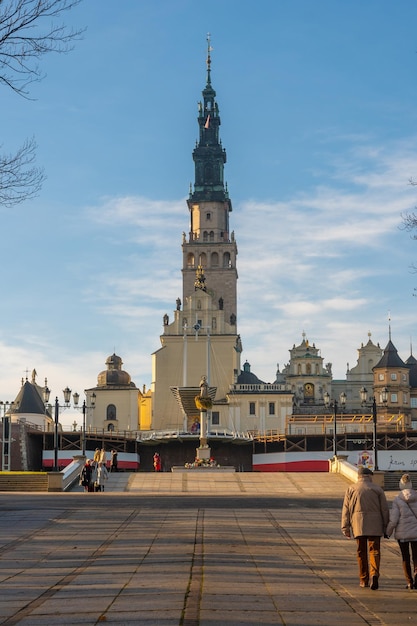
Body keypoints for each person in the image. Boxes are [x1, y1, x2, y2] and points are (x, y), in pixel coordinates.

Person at [341, 466, 389, 590]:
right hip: (375, 523)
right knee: (375, 550)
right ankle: (374, 574)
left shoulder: (351, 489)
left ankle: (363, 579)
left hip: (358, 524)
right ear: (369, 476)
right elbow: (384, 509)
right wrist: (386, 525)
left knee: (361, 551)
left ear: (359, 476)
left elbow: (346, 509)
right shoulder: (377, 489)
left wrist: (345, 526)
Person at [386, 473, 417, 589]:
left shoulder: (397, 500)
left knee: (405, 557)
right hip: (416, 533)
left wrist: (388, 532)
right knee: (416, 556)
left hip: (402, 534)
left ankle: (409, 581)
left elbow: (393, 520)